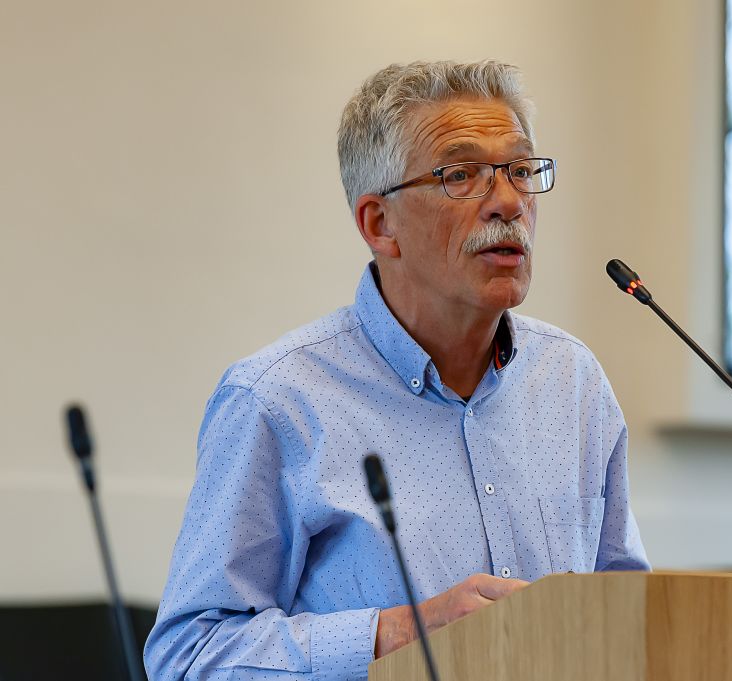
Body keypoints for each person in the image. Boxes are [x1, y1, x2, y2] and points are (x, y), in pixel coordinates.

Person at [144, 60, 649, 681]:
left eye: (521, 171)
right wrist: (398, 633)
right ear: (379, 225)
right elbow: (188, 654)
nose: (510, 202)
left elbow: (628, 617)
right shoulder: (278, 400)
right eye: (461, 175)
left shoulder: (572, 383)